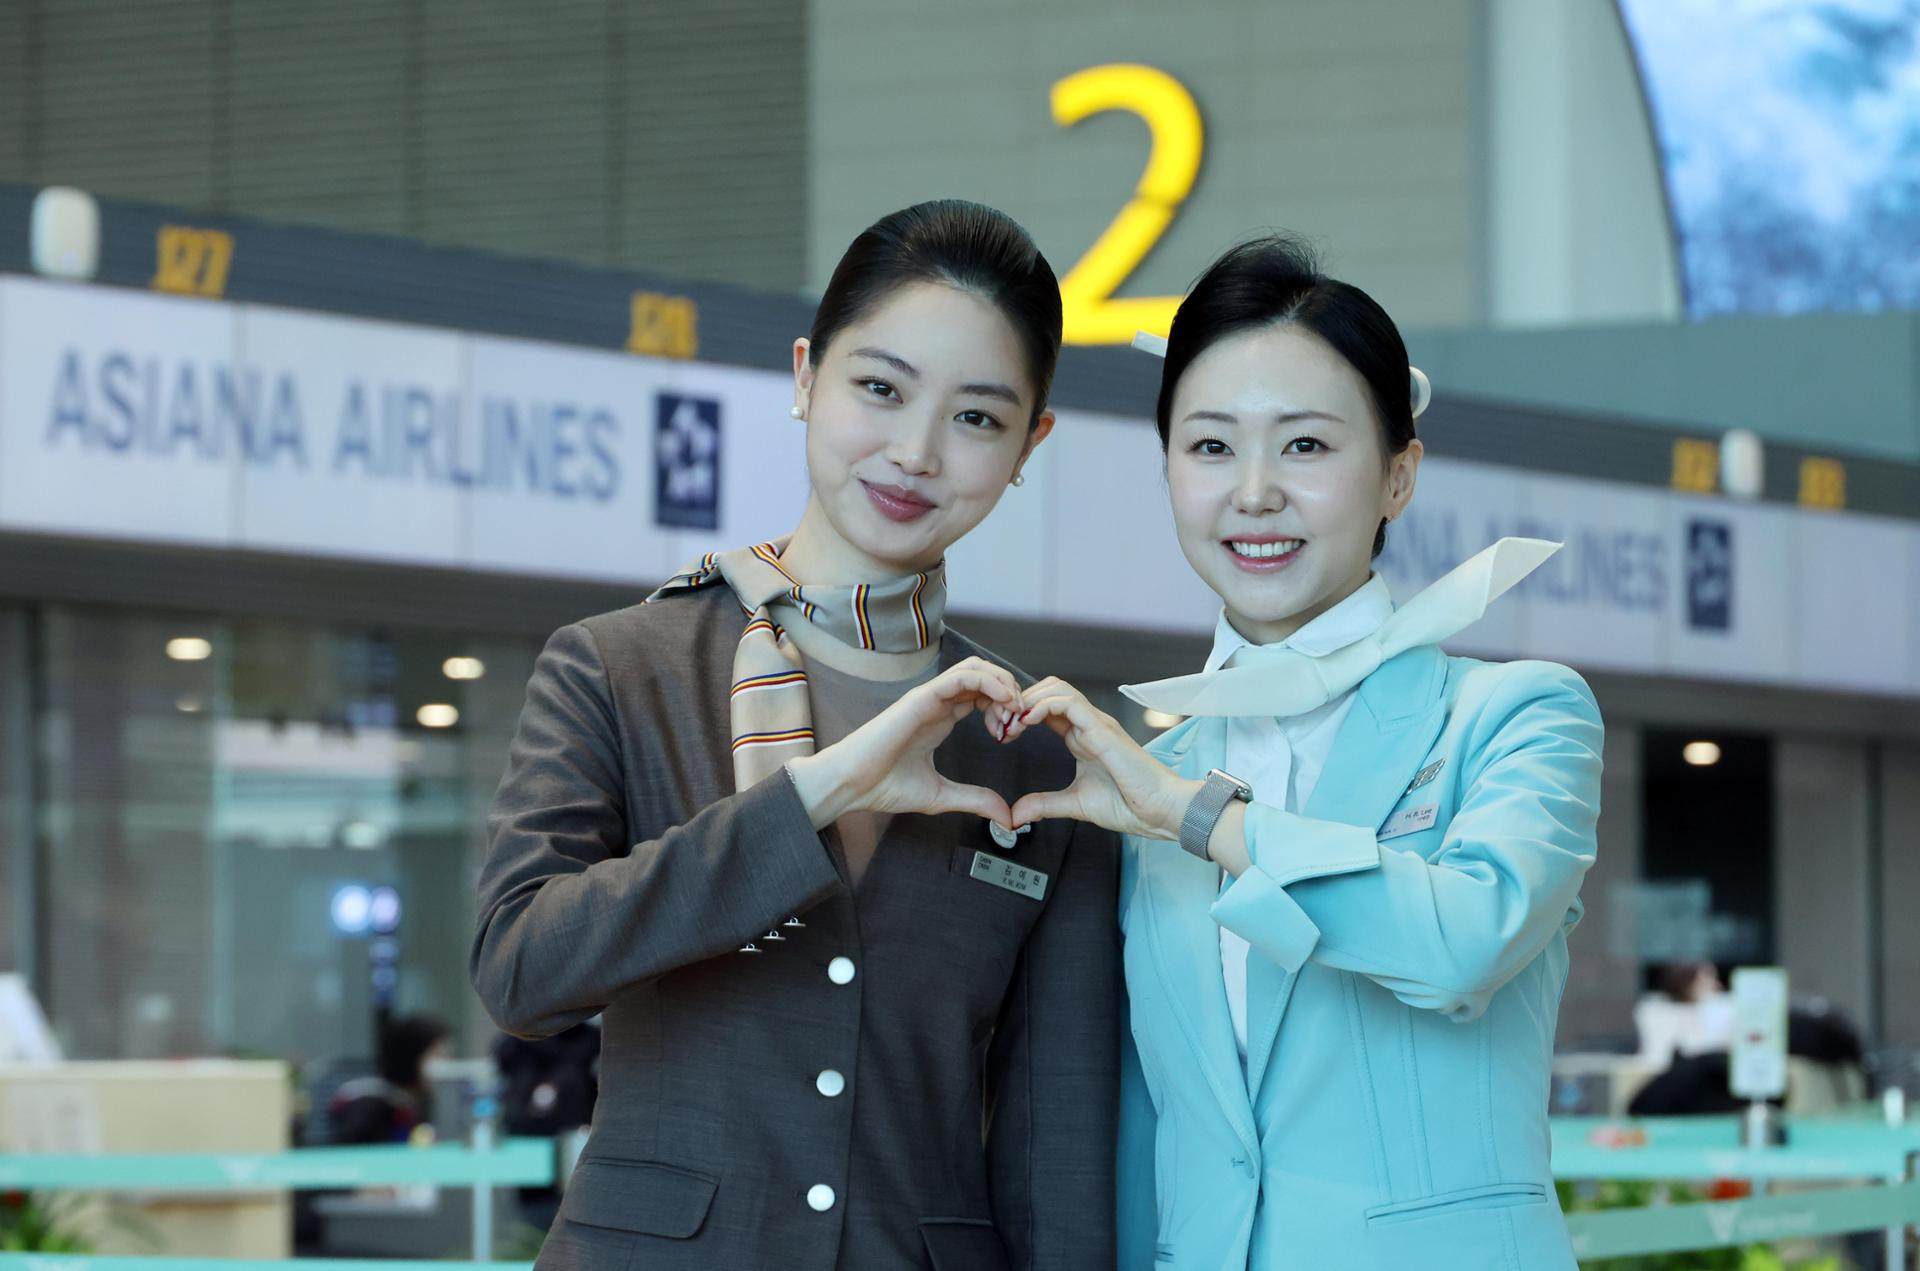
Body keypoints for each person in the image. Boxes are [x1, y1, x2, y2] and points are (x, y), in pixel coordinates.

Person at [470, 200, 1119, 1271]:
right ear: (807, 375)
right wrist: (813, 796)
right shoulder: (622, 665)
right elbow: (521, 966)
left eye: (977, 418)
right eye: (880, 387)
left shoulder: (1039, 746)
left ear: (1028, 445)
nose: (914, 452)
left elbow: (1054, 1141)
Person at [991, 236, 1604, 1269]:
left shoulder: (1513, 713)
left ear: (1400, 474)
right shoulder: (1147, 777)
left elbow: (1464, 940)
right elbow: (1158, 1124)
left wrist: (1197, 814)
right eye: (1212, 446)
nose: (1256, 492)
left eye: (1308, 446)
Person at [327, 1013, 450, 1145]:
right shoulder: (368, 1105)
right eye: (438, 1055)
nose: (447, 1064)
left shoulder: (416, 1103)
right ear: (412, 1055)